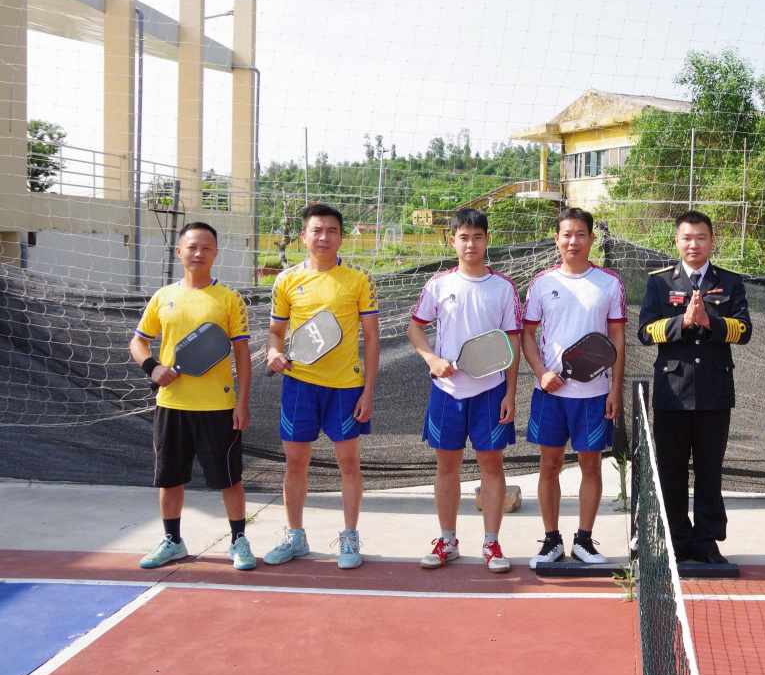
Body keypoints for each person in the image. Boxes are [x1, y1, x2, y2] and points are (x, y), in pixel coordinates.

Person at [131, 222, 255, 570]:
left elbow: (242, 354)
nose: (198, 253)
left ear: (215, 253)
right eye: (191, 247)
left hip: (219, 407)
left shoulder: (229, 298)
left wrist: (242, 402)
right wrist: (153, 367)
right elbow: (138, 342)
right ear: (179, 252)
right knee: (169, 479)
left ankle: (238, 541)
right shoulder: (163, 297)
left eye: (206, 248)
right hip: (171, 406)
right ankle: (172, 541)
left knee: (229, 480)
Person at [263, 202, 380, 570]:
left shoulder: (359, 279)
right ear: (304, 236)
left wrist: (368, 391)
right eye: (317, 230)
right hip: (299, 386)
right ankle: (295, 536)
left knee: (349, 463)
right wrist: (273, 353)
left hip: (346, 388)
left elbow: (371, 339)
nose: (324, 236)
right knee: (296, 463)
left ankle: (349, 536)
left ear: (341, 237)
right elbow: (275, 333)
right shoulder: (286, 280)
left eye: (331, 230)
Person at [408, 209, 522, 573]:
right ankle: (448, 540)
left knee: (492, 465)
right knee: (447, 467)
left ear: (487, 240)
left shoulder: (503, 288)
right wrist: (431, 359)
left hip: (491, 392)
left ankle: (491, 543)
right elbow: (414, 328)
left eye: (477, 237)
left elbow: (513, 344)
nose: (470, 244)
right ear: (452, 241)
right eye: (463, 237)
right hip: (447, 392)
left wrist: (510, 393)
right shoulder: (438, 285)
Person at [637, 210, 752, 563]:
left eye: (701, 237)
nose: (694, 244)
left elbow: (744, 330)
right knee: (671, 471)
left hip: (715, 391)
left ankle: (706, 541)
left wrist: (709, 321)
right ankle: (675, 539)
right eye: (687, 238)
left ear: (712, 241)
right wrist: (682, 323)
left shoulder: (730, 282)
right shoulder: (660, 283)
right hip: (672, 391)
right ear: (676, 241)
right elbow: (645, 331)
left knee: (709, 470)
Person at [522, 208, 627, 568]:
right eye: (567, 234)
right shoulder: (541, 283)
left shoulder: (609, 283)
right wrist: (541, 372)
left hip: (594, 396)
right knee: (549, 466)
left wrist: (614, 389)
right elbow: (527, 335)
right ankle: (551, 541)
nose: (573, 241)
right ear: (557, 239)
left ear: (591, 239)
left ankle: (584, 541)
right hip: (549, 394)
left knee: (591, 467)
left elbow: (617, 338)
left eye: (581, 234)